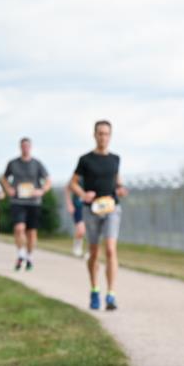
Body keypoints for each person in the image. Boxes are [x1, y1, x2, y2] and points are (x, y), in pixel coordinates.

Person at [70, 120, 127, 311]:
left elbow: (117, 180)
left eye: (106, 134)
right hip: (92, 209)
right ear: (94, 135)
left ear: (110, 136)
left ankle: (111, 294)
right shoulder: (85, 160)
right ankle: (95, 290)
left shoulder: (115, 159)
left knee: (110, 249)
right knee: (94, 252)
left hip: (111, 208)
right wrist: (83, 194)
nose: (103, 137)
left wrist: (121, 189)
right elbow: (73, 183)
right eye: (100, 133)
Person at [1, 137, 51, 271]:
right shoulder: (13, 163)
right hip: (18, 201)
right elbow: (4, 178)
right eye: (23, 146)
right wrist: (8, 189)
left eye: (27, 146)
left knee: (31, 232)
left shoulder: (37, 164)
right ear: (20, 147)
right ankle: (20, 254)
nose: (25, 148)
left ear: (31, 147)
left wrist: (41, 191)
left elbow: (48, 180)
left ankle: (29, 257)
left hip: (33, 202)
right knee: (19, 228)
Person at [64, 182, 87, 257]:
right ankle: (77, 248)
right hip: (78, 206)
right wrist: (69, 204)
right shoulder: (78, 177)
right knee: (81, 230)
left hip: (90, 207)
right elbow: (67, 187)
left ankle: (90, 251)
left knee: (90, 230)